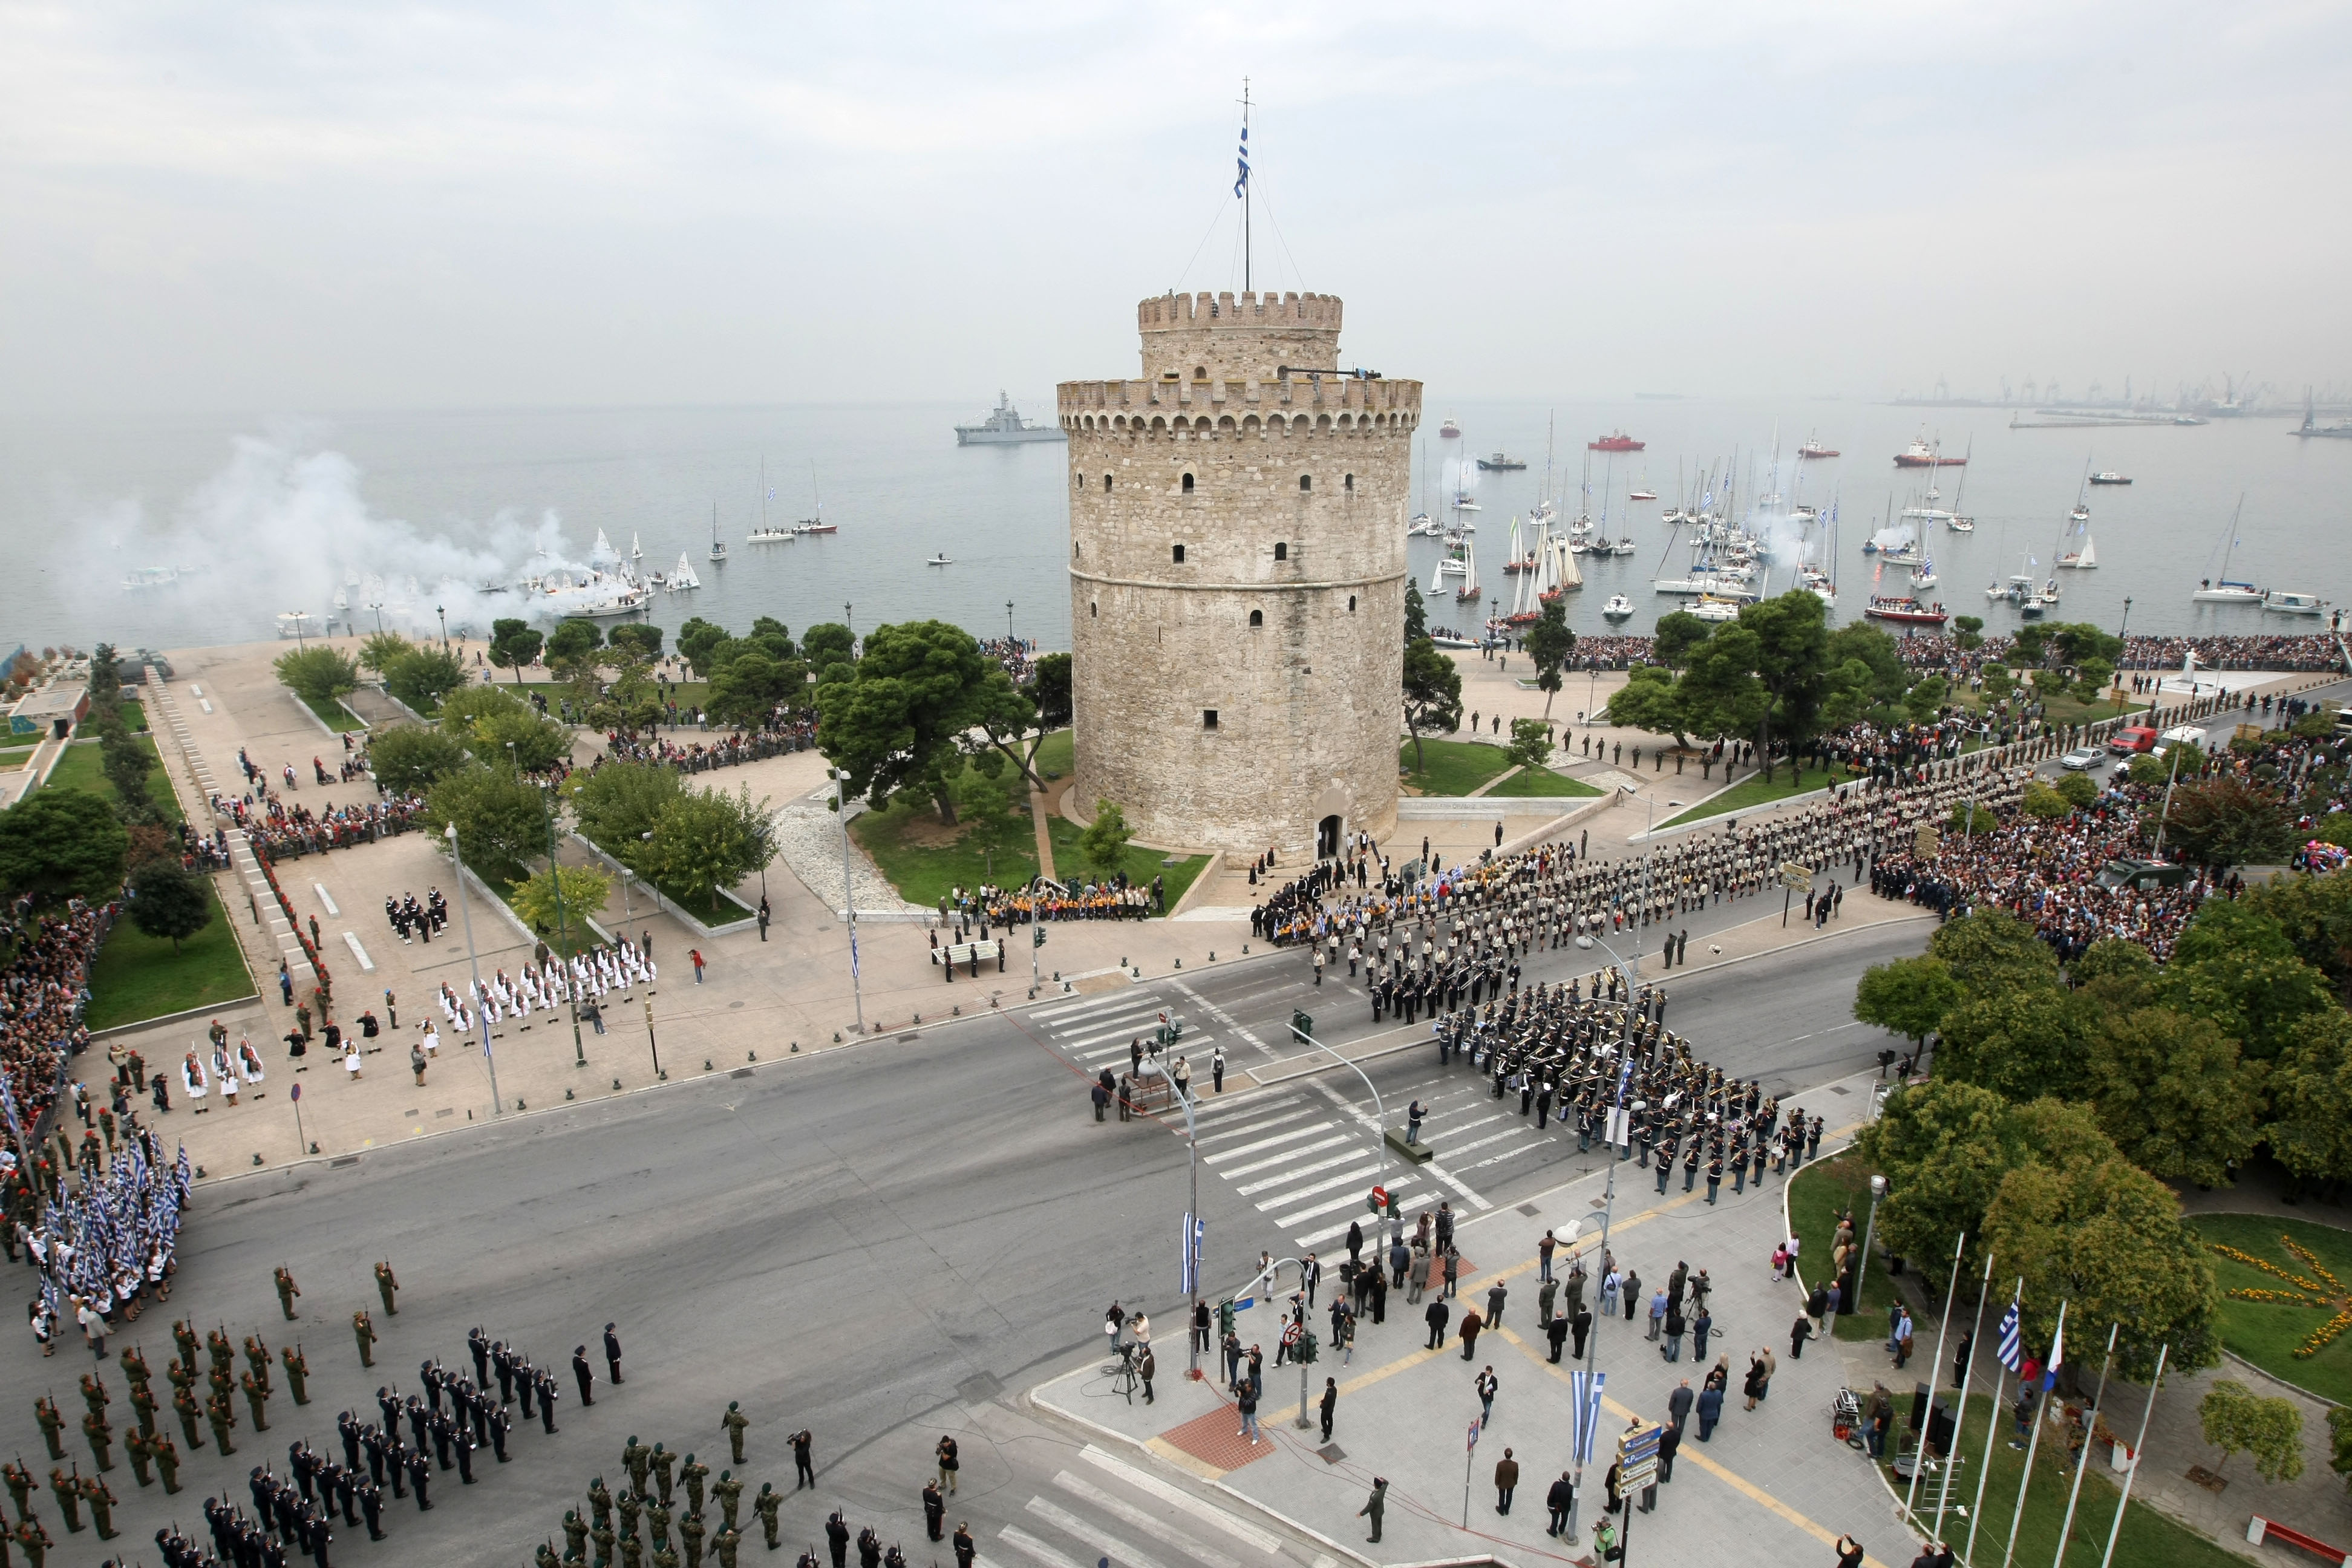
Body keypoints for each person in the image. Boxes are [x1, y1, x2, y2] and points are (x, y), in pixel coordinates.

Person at [1545, 1470, 1575, 1537]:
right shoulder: (1571, 1488)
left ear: (1562, 1477)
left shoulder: (1556, 1485)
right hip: (1566, 1506)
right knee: (1565, 1518)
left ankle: (1553, 1531)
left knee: (1555, 1518)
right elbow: (1572, 1498)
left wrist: (1549, 1503)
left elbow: (1551, 1495)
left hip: (1556, 1506)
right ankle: (1561, 1529)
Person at [1357, 1478, 1387, 1543]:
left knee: (1375, 1525)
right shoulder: (1382, 1490)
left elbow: (1369, 1507)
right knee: (1379, 1523)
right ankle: (1379, 1533)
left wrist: (1361, 1514)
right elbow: (1387, 1483)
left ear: (1375, 1485)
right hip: (1381, 1510)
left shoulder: (1374, 1497)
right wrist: (1383, 1480)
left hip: (1375, 1513)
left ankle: (1376, 1538)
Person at [1492, 1446, 1518, 1515]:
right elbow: (1516, 1475)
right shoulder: (1515, 1465)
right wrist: (1515, 1482)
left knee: (1502, 1496)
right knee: (1509, 1496)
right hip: (1511, 1483)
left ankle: (1501, 1510)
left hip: (1502, 1484)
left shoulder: (1500, 1464)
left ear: (1505, 1454)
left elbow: (1498, 1475)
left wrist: (1497, 1483)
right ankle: (1507, 1510)